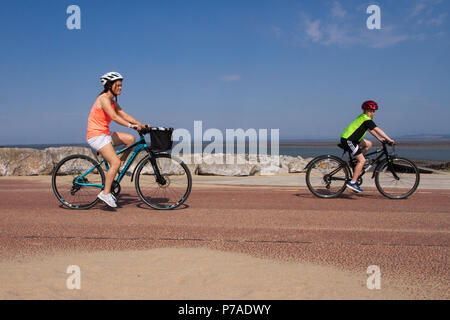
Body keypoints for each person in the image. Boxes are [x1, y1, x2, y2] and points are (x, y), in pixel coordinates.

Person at [86, 72, 149, 207]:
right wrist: (131, 126)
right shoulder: (103, 99)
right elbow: (114, 117)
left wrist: (141, 124)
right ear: (110, 85)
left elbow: (123, 114)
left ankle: (120, 166)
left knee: (131, 139)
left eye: (121, 85)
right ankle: (105, 193)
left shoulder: (112, 101)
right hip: (96, 135)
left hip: (105, 133)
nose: (121, 88)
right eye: (118, 85)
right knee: (113, 162)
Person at [340, 100, 395, 193]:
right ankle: (352, 182)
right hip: (349, 140)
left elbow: (371, 130)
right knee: (362, 160)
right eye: (370, 111)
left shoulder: (363, 117)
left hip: (352, 139)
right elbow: (377, 129)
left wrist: (379, 138)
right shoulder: (366, 119)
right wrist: (389, 139)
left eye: (373, 111)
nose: (372, 113)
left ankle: (355, 160)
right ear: (365, 110)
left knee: (369, 144)